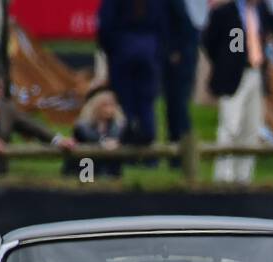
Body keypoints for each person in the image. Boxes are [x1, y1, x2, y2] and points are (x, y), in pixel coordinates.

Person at [201, 0, 273, 183]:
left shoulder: (262, 11)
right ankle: (224, 177)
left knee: (251, 128)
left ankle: (243, 177)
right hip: (234, 77)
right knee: (231, 126)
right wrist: (227, 64)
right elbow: (210, 42)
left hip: (256, 74)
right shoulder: (226, 12)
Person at [0, 55, 75, 180]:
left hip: (0, 174)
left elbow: (32, 126)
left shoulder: (7, 108)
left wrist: (57, 139)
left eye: (1, 85)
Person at [97, 0, 168, 147]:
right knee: (146, 102)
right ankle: (149, 147)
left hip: (123, 51)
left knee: (124, 102)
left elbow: (105, 25)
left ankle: (125, 141)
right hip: (149, 50)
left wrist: (112, 50)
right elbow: (164, 25)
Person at [162, 0, 204, 166]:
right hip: (176, 57)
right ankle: (177, 155)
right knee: (174, 107)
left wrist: (175, 50)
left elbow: (186, 27)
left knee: (178, 108)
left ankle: (181, 156)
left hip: (180, 60)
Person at [68, 86, 127, 179]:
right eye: (105, 105)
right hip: (85, 169)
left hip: (109, 171)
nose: (109, 109)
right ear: (96, 106)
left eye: (112, 105)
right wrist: (103, 144)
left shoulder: (118, 125)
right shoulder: (82, 126)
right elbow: (88, 137)